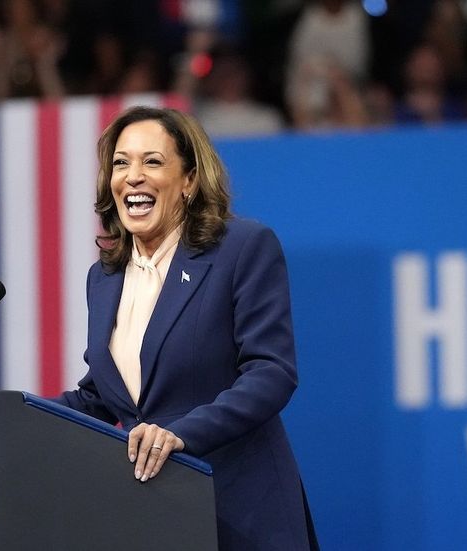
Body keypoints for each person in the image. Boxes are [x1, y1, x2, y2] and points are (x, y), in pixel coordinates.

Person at [55, 106, 318, 550]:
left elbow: (272, 372)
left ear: (190, 181)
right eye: (121, 163)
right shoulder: (104, 278)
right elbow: (103, 395)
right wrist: (13, 412)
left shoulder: (241, 248)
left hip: (241, 510)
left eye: (152, 161)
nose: (133, 176)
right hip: (157, 516)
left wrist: (182, 433)